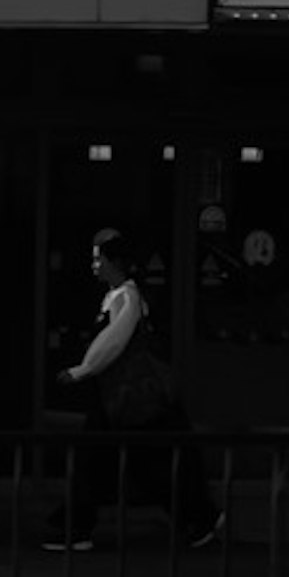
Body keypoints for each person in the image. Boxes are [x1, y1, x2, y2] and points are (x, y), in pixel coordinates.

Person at [60, 231, 186, 546]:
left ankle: (77, 527)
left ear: (114, 262)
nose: (94, 265)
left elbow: (113, 341)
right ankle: (196, 517)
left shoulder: (125, 297)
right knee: (145, 462)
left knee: (98, 461)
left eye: (98, 258)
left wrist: (82, 370)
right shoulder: (120, 295)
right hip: (121, 396)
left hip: (120, 395)